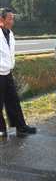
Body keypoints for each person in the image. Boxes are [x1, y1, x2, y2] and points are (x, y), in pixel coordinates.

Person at [0, 8, 37, 139]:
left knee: (13, 101)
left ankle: (21, 127)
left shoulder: (9, 33)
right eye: (9, 18)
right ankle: (1, 130)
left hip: (7, 71)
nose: (12, 21)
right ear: (1, 20)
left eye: (12, 18)